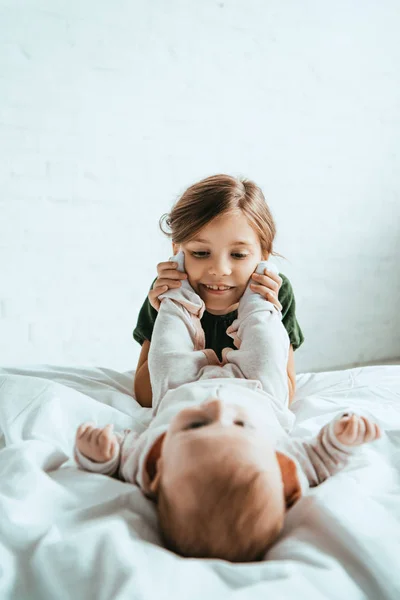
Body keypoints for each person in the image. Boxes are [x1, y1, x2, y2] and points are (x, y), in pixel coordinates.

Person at [74, 252, 381, 562]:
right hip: (258, 389)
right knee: (264, 342)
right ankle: (259, 299)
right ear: (281, 470)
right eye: (240, 426)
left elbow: (121, 456)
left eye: (196, 426)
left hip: (182, 388)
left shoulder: (151, 457)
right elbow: (318, 459)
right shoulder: (281, 459)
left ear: (159, 471)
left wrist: (101, 456)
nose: (218, 410)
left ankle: (176, 298)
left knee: (168, 346)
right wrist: (340, 439)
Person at [132, 174, 304, 408]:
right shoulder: (168, 289)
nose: (219, 270)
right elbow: (144, 395)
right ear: (177, 250)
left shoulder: (274, 293)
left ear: (264, 255)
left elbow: (284, 393)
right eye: (201, 253)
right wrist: (170, 311)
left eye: (239, 255)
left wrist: (261, 313)